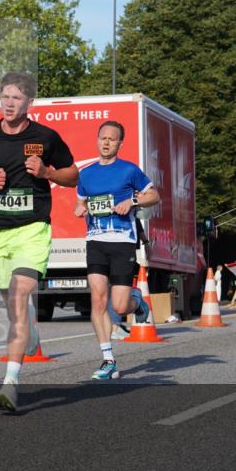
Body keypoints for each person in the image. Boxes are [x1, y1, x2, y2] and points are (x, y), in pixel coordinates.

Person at [0, 71, 78, 412]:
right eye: (5, 96)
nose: (9, 103)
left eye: (16, 98)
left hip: (32, 229)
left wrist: (46, 173)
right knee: (12, 305)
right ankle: (29, 327)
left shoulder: (45, 137)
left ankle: (10, 383)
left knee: (17, 295)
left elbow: (73, 176)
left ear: (29, 103)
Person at [74, 120, 159, 380]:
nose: (106, 142)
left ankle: (137, 303)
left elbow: (154, 195)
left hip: (122, 242)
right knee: (98, 299)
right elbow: (80, 202)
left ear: (120, 143)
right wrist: (80, 209)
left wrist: (131, 201)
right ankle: (108, 359)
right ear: (97, 140)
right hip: (96, 242)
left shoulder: (129, 171)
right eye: (103, 138)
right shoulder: (86, 174)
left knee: (120, 306)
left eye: (112, 139)